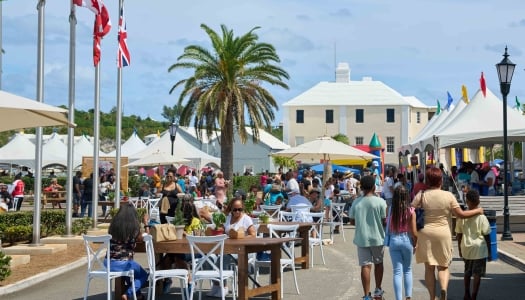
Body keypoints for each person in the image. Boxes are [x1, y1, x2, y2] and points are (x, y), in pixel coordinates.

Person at [412, 167, 484, 300]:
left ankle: (432, 297)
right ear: (440, 180)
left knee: (429, 268)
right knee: (443, 267)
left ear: (427, 180)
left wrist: (414, 234)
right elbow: (461, 215)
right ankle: (443, 289)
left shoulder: (421, 195)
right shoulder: (448, 196)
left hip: (425, 234)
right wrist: (478, 211)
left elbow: (410, 212)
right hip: (443, 234)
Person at [207, 198, 256, 297]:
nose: (237, 211)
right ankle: (216, 285)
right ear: (231, 209)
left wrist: (241, 237)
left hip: (241, 250)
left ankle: (224, 287)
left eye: (240, 209)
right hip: (226, 248)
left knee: (222, 259)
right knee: (209, 258)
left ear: (243, 209)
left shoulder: (246, 219)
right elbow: (221, 229)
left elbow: (253, 234)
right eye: (235, 209)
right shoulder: (228, 218)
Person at [349, 175, 387, 300]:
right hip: (378, 237)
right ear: (374, 187)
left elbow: (352, 221)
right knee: (379, 263)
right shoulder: (380, 202)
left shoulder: (356, 202)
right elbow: (384, 220)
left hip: (362, 237)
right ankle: (378, 290)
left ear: (362, 188)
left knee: (365, 266)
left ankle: (366, 295)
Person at [107, 203, 149, 300]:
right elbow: (147, 237)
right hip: (123, 263)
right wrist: (146, 222)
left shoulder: (113, 227)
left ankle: (137, 295)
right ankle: (128, 294)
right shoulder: (134, 228)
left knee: (130, 274)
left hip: (108, 263)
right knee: (143, 275)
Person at [455, 190, 491, 300]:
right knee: (477, 274)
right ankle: (474, 296)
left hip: (466, 248)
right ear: (478, 201)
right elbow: (487, 235)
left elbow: (459, 234)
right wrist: (489, 250)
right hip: (479, 249)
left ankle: (466, 293)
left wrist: (459, 249)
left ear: (467, 201)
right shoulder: (482, 217)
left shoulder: (462, 217)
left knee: (467, 272)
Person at [387, 185, 417, 300]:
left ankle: (398, 298)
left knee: (397, 272)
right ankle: (408, 296)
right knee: (408, 270)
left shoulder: (390, 209)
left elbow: (387, 224)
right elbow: (414, 231)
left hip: (394, 240)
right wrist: (416, 243)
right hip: (406, 239)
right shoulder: (410, 211)